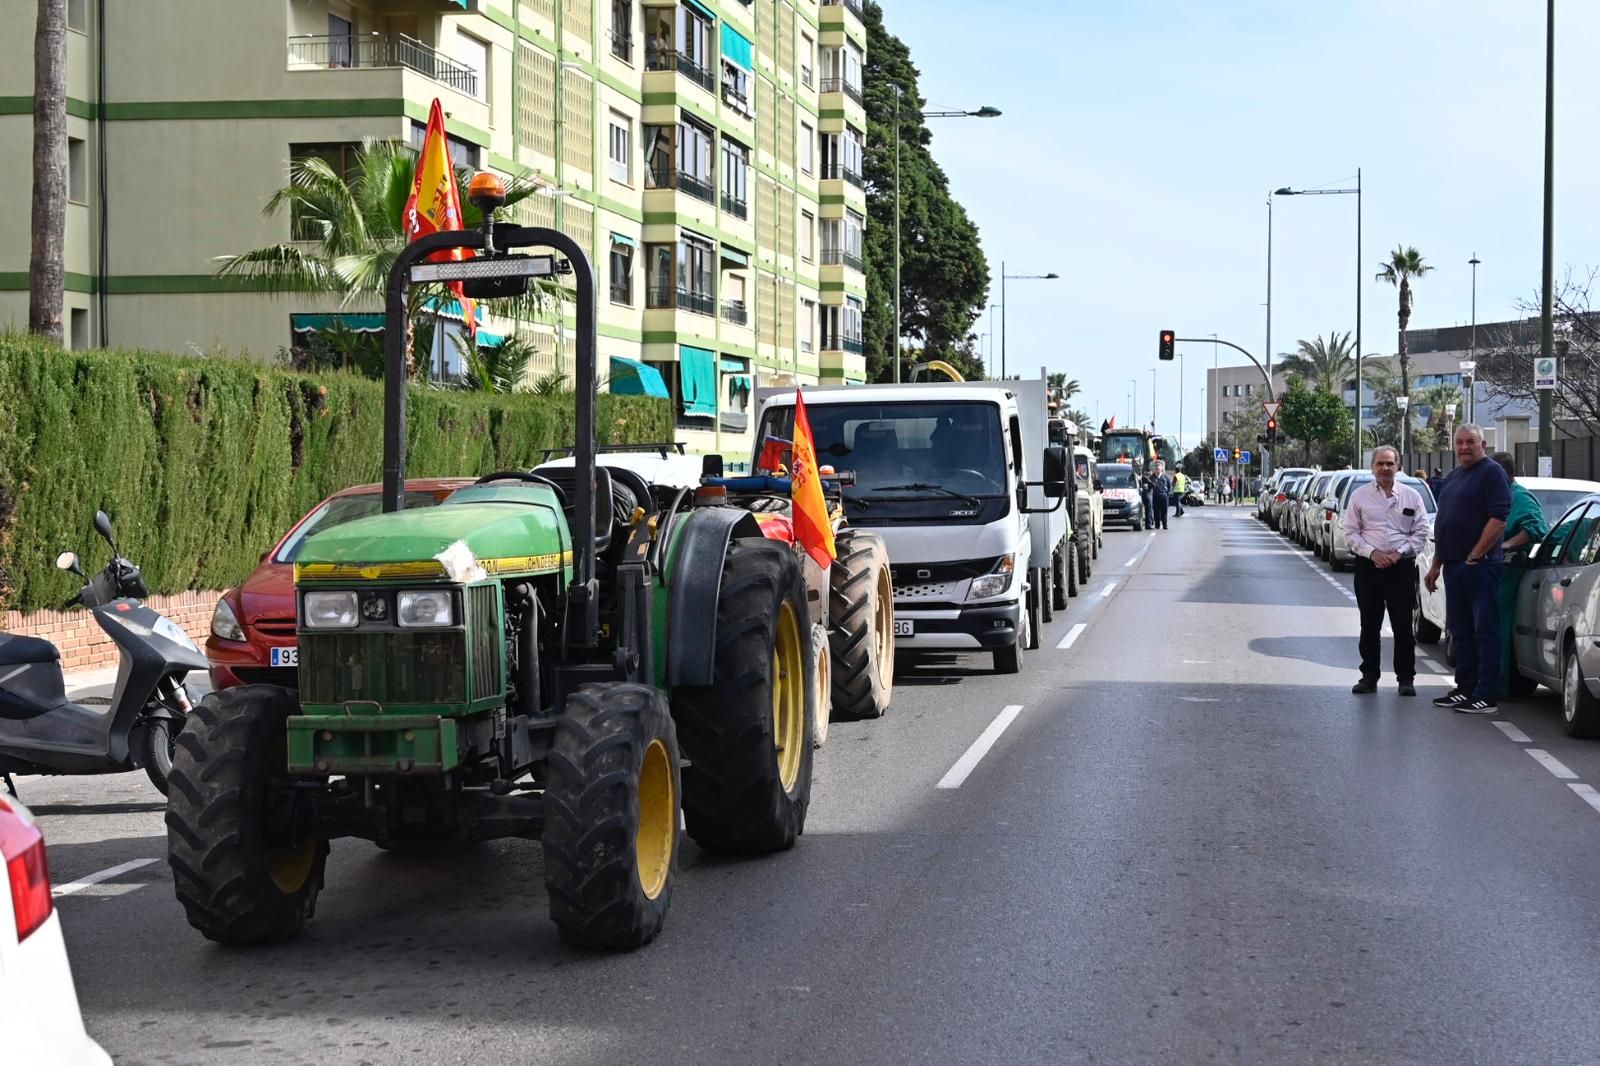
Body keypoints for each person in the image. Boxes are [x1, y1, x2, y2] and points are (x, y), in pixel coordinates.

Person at [1424, 424, 1512, 714]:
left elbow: (1498, 519)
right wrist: (1436, 564)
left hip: (1481, 567)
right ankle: (1464, 688)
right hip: (1452, 565)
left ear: (1482, 443)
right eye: (1459, 442)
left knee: (1484, 631)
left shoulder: (1491, 473)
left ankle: (1485, 694)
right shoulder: (1453, 476)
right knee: (1459, 630)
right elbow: (1444, 523)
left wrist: (1476, 554)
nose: (1464, 447)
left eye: (1470, 442)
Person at [1345, 445, 1431, 696]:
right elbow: (1351, 532)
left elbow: (1422, 531)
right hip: (1369, 567)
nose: (1385, 468)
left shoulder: (1412, 497)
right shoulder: (1359, 496)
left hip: (1400, 567)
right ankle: (1369, 676)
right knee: (1369, 624)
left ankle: (1406, 679)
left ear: (1398, 467)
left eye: (1389, 464)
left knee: (1403, 625)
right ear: (1372, 468)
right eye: (1380, 464)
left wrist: (1398, 553)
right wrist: (1373, 553)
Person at [1491, 451, 1549, 699]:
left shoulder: (1520, 498)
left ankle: (1497, 686)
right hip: (1489, 570)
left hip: (1508, 570)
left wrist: (1505, 546)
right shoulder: (1497, 495)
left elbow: (1537, 528)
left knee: (1497, 628)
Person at [1146, 461, 1171, 530]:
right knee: (1156, 511)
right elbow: (1148, 486)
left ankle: (1165, 524)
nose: (1158, 469)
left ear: (1162, 469)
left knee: (1164, 511)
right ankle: (1157, 525)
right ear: (1155, 469)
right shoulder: (1151, 478)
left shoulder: (1165, 477)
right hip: (1155, 496)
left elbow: (1169, 486)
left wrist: (1167, 493)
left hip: (1164, 496)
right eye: (1156, 468)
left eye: (1159, 468)